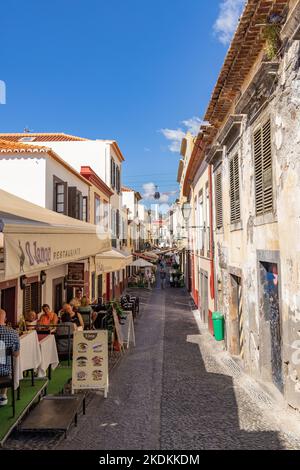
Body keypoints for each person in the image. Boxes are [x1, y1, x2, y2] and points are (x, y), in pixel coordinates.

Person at [0, 309, 20, 407]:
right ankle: (3, 395)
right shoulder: (13, 332)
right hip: (5, 372)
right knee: (5, 363)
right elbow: (16, 354)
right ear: (5, 319)